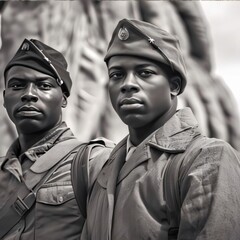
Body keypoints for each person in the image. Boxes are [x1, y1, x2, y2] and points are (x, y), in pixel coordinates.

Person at [82, 19, 240, 240]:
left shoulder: (208, 159)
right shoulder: (102, 171)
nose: (128, 84)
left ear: (174, 86)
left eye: (145, 73)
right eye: (116, 75)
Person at [0, 38, 114, 239]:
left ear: (63, 99)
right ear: (4, 98)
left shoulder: (94, 162)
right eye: (17, 86)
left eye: (43, 85)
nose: (29, 95)